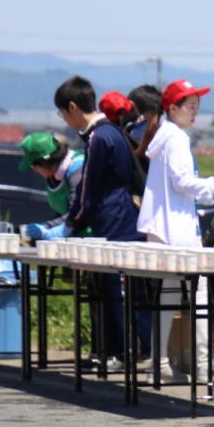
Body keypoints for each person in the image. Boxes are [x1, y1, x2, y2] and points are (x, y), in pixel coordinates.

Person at [137, 78, 214, 381]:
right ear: (173, 108)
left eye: (196, 107)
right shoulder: (176, 138)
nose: (194, 113)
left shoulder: (164, 135)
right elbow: (183, 182)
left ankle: (160, 363)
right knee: (199, 293)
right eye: (190, 106)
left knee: (166, 296)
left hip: (162, 228)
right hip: (176, 231)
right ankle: (204, 365)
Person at [55, 75, 144, 364]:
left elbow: (89, 191)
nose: (64, 119)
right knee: (123, 290)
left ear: (72, 107)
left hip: (111, 220)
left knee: (111, 290)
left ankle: (117, 352)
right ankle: (125, 350)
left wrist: (70, 225)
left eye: (63, 113)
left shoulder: (98, 137)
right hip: (125, 216)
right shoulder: (112, 131)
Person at [17, 130, 86, 241]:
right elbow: (62, 212)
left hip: (94, 237)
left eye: (33, 165)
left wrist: (48, 227)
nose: (33, 169)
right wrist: (46, 226)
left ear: (45, 162)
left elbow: (79, 211)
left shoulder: (78, 169)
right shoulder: (53, 174)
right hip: (74, 238)